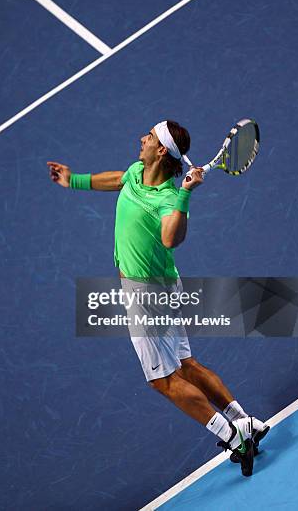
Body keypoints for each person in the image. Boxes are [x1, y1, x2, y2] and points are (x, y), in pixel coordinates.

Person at [47, 119, 269, 477]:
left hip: (148, 297)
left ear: (161, 150)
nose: (141, 138)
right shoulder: (136, 171)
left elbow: (170, 238)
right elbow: (117, 179)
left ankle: (231, 437)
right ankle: (244, 422)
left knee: (162, 381)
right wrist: (73, 180)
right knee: (185, 365)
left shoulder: (168, 197)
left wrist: (184, 194)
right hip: (162, 288)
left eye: (148, 136)